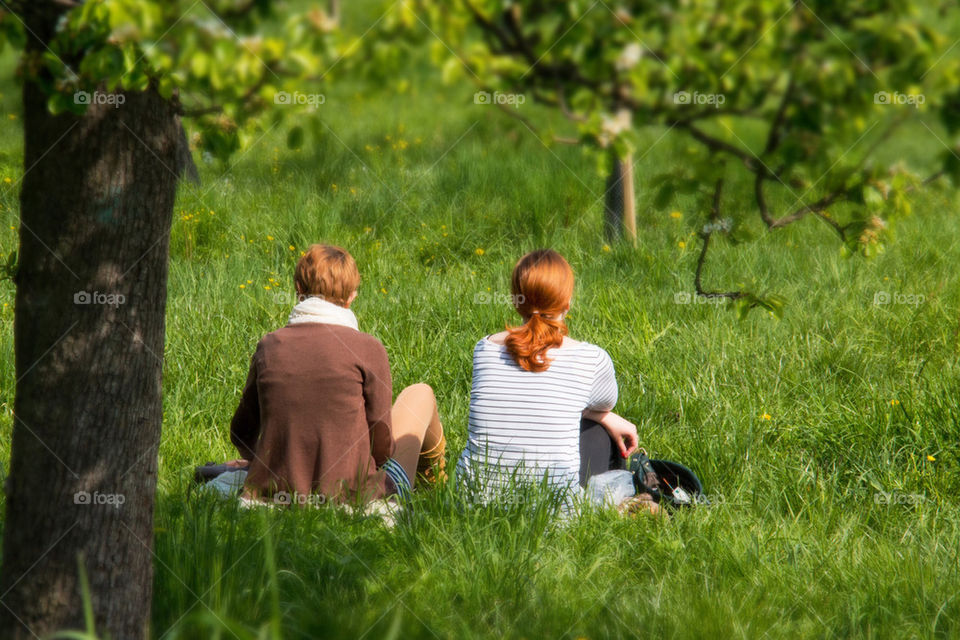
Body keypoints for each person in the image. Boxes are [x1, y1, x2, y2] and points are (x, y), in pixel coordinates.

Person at [228, 243, 446, 505]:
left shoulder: (269, 345)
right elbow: (382, 445)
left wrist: (277, 461)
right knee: (419, 393)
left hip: (275, 488)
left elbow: (241, 432)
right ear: (352, 295)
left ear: (298, 289)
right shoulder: (368, 348)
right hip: (356, 493)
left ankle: (437, 489)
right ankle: (440, 489)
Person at [456, 248, 642, 505]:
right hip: (556, 514)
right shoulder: (591, 358)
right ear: (567, 303)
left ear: (515, 300)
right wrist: (604, 417)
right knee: (599, 432)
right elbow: (604, 404)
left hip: (471, 503)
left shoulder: (485, 348)